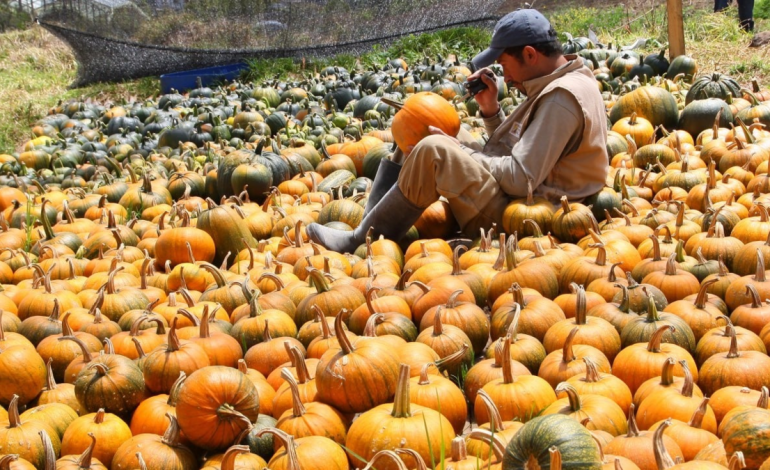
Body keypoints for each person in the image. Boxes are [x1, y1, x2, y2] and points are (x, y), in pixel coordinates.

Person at [306, 8, 609, 253]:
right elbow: (523, 153)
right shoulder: (564, 81)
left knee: (432, 147)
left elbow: (521, 180)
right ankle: (369, 225)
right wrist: (491, 112)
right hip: (525, 197)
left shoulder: (560, 99)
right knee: (417, 123)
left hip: (528, 217)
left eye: (504, 65)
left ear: (530, 54)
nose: (505, 76)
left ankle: (362, 241)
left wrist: (455, 148)